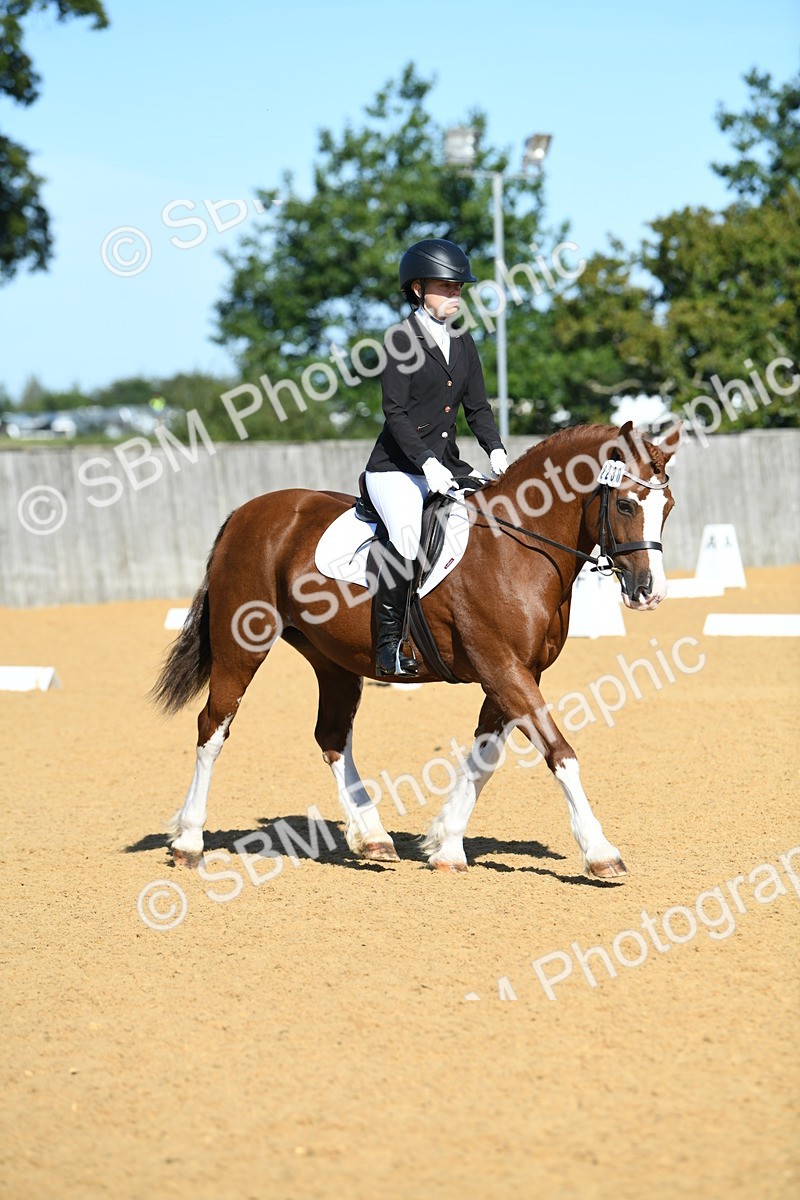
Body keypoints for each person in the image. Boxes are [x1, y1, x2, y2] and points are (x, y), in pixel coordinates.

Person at [364, 237, 509, 677]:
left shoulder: (463, 343)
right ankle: (387, 645)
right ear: (417, 289)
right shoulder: (399, 341)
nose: (454, 296)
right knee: (407, 539)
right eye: (446, 287)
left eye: (458, 289)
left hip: (447, 469)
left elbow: (478, 408)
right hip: (397, 470)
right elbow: (396, 413)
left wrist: (497, 450)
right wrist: (427, 463)